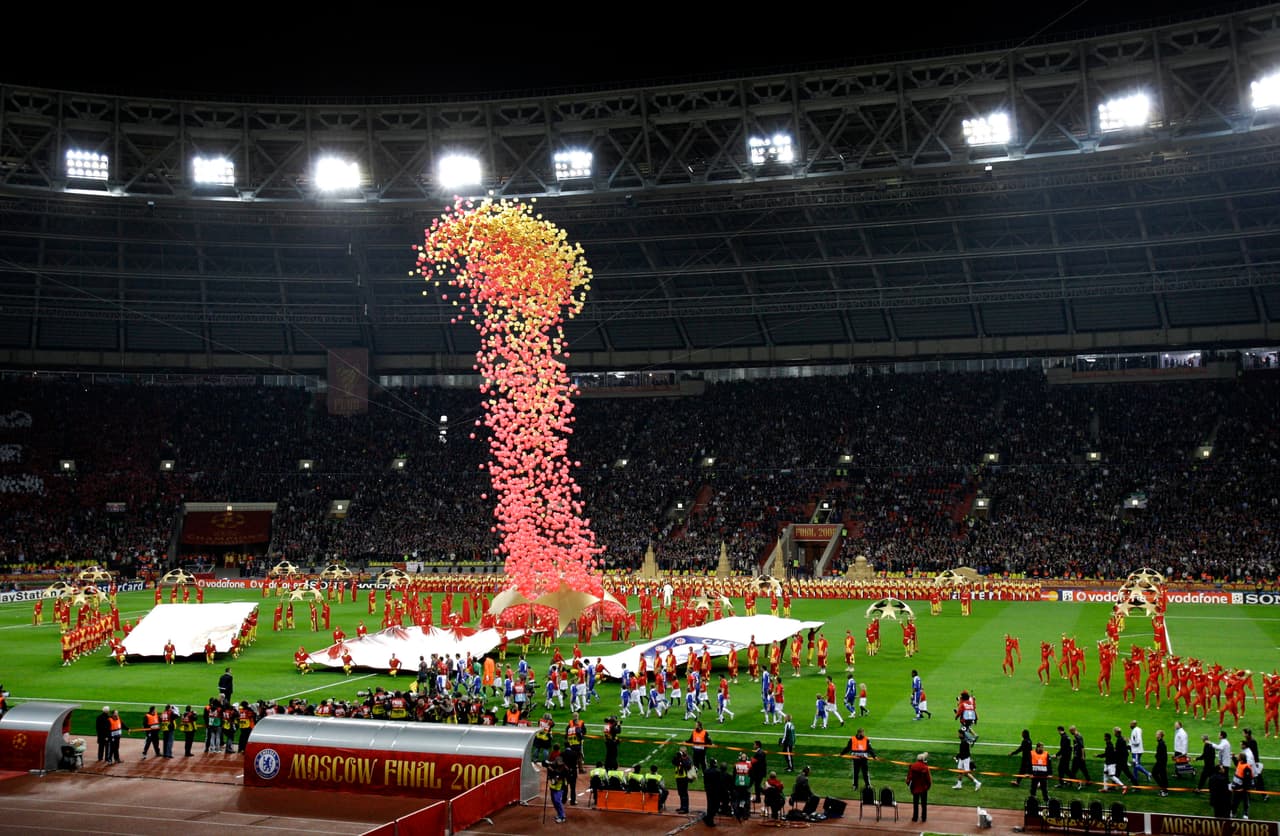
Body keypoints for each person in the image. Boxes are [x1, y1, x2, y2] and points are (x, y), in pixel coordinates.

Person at [906, 752, 932, 823]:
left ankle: (915, 817)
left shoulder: (912, 766)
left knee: (915, 804)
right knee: (924, 804)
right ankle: (924, 818)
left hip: (915, 787)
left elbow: (909, 777)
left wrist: (909, 785)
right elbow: (929, 779)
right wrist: (928, 787)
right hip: (923, 788)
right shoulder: (925, 767)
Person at [671, 746, 693, 813]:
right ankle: (682, 807)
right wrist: (677, 757)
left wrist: (682, 759)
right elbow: (673, 762)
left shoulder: (688, 758)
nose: (681, 752)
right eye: (680, 751)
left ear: (685, 751)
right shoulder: (678, 757)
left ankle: (685, 808)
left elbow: (688, 765)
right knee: (680, 793)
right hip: (678, 777)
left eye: (682, 751)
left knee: (684, 793)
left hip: (684, 777)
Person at [548, 756, 568, 823]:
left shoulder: (564, 769)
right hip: (553, 786)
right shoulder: (553, 766)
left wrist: (552, 771)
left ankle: (562, 816)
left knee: (557, 801)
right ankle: (559, 814)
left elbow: (559, 775)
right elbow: (551, 775)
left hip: (560, 787)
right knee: (554, 802)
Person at [1152, 728, 1169, 796]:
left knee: (1155, 773)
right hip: (1161, 762)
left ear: (1160, 735)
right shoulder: (1161, 742)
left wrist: (1157, 757)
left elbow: (1162, 755)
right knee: (1162, 776)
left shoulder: (1161, 743)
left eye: (1157, 734)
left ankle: (1164, 790)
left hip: (1160, 763)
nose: (1156, 735)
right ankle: (1164, 788)